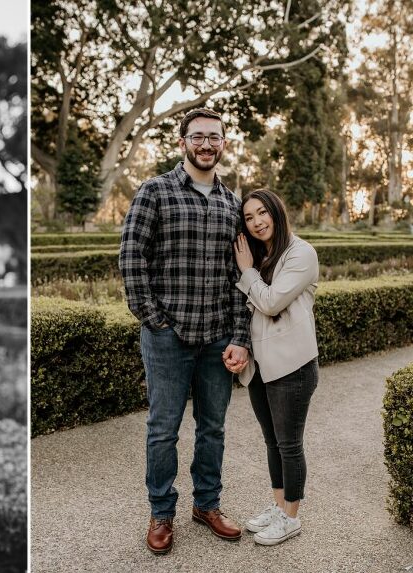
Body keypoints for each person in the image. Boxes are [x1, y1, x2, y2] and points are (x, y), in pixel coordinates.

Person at [119, 107, 251, 555]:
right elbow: (131, 257)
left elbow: (239, 275)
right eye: (198, 136)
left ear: (223, 144)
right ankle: (161, 512)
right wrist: (153, 319)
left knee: (212, 428)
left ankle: (207, 505)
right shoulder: (154, 191)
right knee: (163, 430)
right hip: (167, 337)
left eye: (214, 137)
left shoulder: (232, 203)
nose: (206, 144)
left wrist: (239, 336)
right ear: (183, 143)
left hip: (217, 336)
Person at [230, 188, 319, 546]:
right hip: (261, 367)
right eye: (249, 217)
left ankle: (291, 518)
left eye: (262, 213)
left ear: (276, 212)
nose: (256, 222)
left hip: (292, 367)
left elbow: (269, 302)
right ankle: (278, 505)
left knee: (289, 445)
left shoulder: (301, 253)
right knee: (272, 442)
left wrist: (247, 271)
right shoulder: (264, 256)